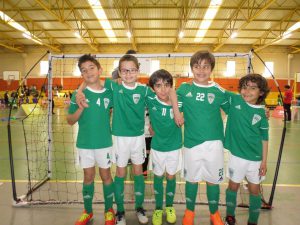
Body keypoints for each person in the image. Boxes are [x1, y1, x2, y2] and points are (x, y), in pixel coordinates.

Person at [76, 54, 182, 225]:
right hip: (119, 138)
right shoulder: (114, 86)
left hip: (138, 137)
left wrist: (176, 111)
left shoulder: (145, 90)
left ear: (138, 71)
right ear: (119, 72)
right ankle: (120, 211)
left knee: (138, 172)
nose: (128, 74)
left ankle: (139, 208)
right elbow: (92, 79)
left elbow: (170, 91)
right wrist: (80, 91)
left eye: (132, 70)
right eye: (124, 70)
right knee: (120, 172)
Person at [177, 51, 228, 225]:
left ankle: (214, 214)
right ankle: (189, 213)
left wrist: (260, 109)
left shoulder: (219, 91)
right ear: (191, 68)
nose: (201, 70)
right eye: (197, 66)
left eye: (206, 66)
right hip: (191, 144)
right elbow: (172, 105)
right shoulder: (184, 89)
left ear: (211, 69)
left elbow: (238, 109)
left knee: (213, 181)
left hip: (214, 144)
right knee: (192, 179)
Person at [67, 54, 115, 225]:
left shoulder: (109, 90)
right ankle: (87, 211)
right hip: (85, 143)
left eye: (91, 68)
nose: (88, 72)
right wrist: (80, 107)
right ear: (81, 75)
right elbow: (70, 120)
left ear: (100, 70)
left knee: (106, 175)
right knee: (88, 176)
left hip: (104, 143)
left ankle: (109, 210)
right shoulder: (78, 95)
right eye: (84, 70)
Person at [224, 73, 270, 225]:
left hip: (256, 160)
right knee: (233, 186)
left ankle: (253, 220)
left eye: (253, 88)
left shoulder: (262, 113)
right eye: (244, 87)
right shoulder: (235, 100)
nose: (247, 91)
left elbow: (264, 138)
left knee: (254, 191)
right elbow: (215, 90)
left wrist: (264, 162)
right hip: (237, 157)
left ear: (261, 92)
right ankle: (230, 215)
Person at [147, 69, 182, 225]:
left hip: (174, 147)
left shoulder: (180, 101)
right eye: (158, 85)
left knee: (171, 176)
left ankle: (169, 207)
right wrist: (149, 126)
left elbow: (181, 120)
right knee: (158, 177)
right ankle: (158, 208)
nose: (163, 89)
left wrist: (175, 105)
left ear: (171, 87)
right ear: (153, 88)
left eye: (167, 85)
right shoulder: (151, 99)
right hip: (157, 147)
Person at [142, 109, 152, 177]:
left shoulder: (152, 103)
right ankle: (142, 169)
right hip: (140, 132)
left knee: (147, 152)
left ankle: (144, 169)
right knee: (141, 152)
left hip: (150, 133)